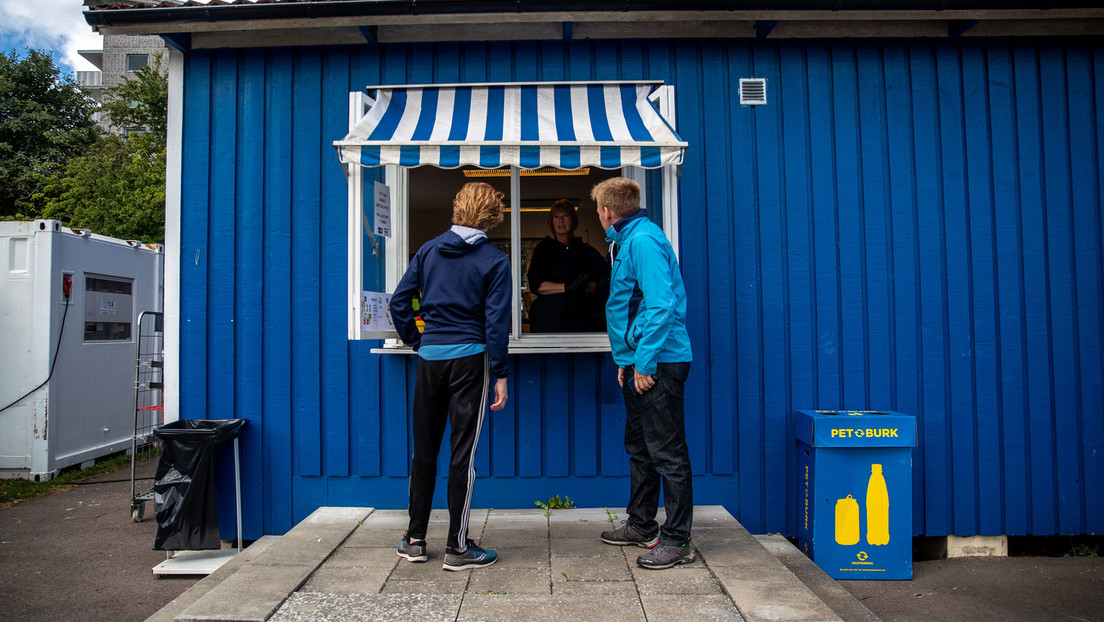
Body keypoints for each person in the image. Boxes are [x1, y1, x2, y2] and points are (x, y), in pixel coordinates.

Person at [389, 182, 511, 572]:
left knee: (423, 453)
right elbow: (496, 324)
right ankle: (458, 548)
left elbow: (397, 302)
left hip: (430, 360)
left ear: (457, 208)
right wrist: (501, 374)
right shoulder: (494, 260)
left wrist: (417, 341)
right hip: (470, 363)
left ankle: (415, 540)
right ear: (492, 216)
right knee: (463, 456)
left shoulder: (427, 250)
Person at [591, 177, 695, 570]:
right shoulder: (627, 239)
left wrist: (644, 364)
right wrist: (626, 361)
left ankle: (677, 539)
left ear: (608, 210)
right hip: (639, 362)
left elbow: (660, 305)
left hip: (659, 363)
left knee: (668, 452)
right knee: (640, 447)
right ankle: (641, 524)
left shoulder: (643, 241)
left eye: (598, 208)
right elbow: (628, 305)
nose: (599, 214)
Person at [526, 199, 609, 333]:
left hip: (580, 320)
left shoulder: (583, 249)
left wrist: (586, 288)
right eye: (556, 217)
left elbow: (596, 280)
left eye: (565, 216)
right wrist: (567, 287)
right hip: (549, 321)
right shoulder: (543, 249)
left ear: (573, 219)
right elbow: (537, 285)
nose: (561, 221)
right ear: (551, 221)